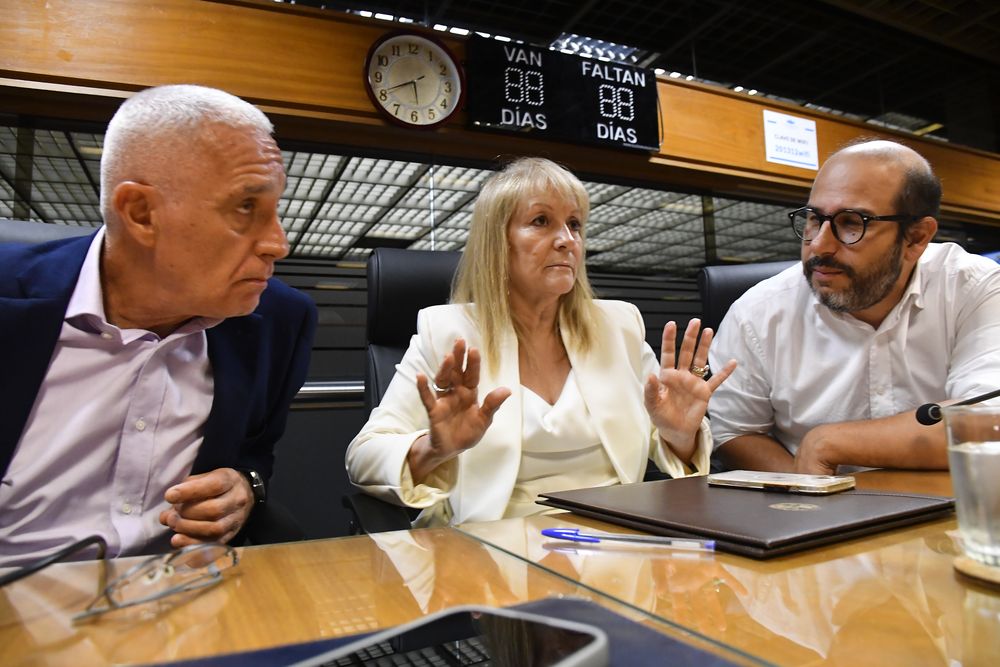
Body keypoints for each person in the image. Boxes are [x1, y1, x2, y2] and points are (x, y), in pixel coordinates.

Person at [0, 85, 317, 568]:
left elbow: (255, 456)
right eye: (246, 208)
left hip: (178, 599)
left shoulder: (277, 321)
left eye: (276, 210)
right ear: (141, 214)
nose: (278, 243)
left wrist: (245, 490)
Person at [347, 157, 736, 525]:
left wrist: (679, 435)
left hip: (617, 540)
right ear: (499, 242)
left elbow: (671, 448)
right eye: (541, 221)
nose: (567, 240)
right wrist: (434, 450)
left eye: (575, 224)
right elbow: (363, 456)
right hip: (491, 548)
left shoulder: (619, 325)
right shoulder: (448, 333)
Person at [708, 139, 1000, 474]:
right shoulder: (758, 313)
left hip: (952, 512)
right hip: (817, 519)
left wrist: (828, 444)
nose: (819, 245)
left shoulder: (975, 288)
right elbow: (734, 431)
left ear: (916, 237)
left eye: (852, 223)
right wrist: (814, 496)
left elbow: (990, 422)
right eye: (815, 219)